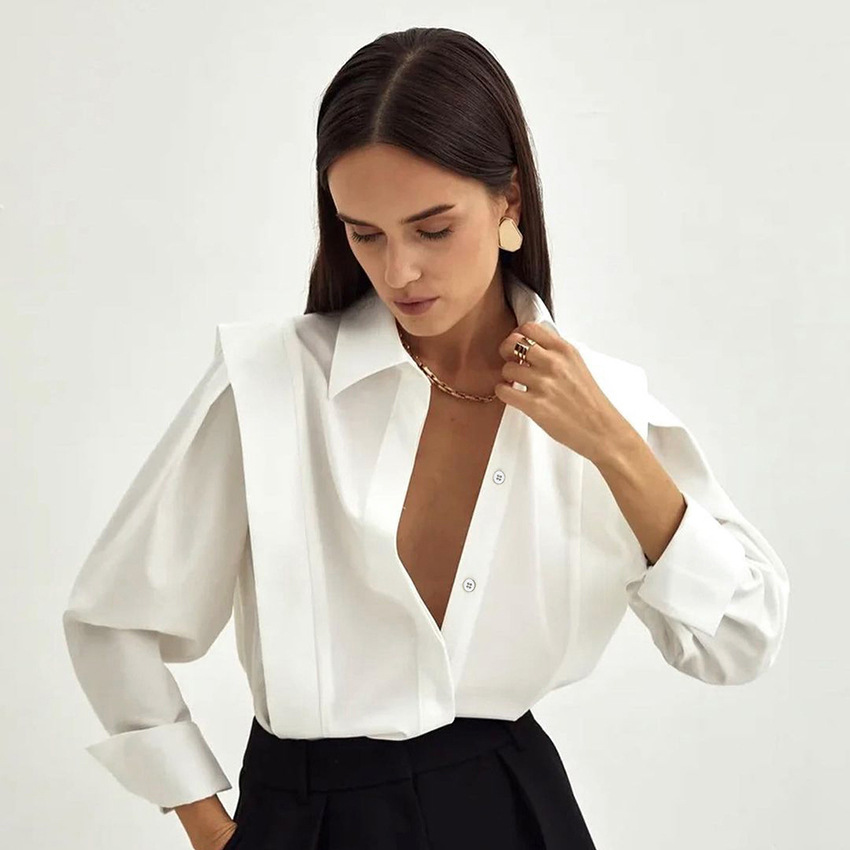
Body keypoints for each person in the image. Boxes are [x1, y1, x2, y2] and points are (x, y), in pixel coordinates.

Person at [61, 26, 790, 850]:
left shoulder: (604, 405)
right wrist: (208, 826)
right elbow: (113, 622)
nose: (398, 270)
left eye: (432, 229)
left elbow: (742, 637)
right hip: (306, 817)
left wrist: (613, 447)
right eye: (364, 233)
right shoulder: (270, 385)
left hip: (513, 815)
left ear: (509, 203)